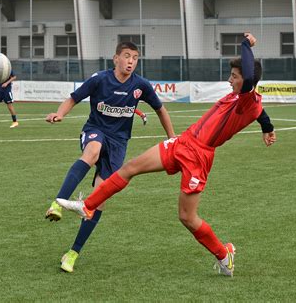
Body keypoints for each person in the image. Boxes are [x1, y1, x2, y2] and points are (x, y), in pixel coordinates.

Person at [57, 33, 277, 277]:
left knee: (187, 217)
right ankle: (87, 206)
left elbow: (254, 100)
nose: (229, 80)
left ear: (246, 79)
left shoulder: (247, 99)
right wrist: (268, 128)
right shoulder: (244, 97)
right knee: (130, 168)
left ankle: (224, 255)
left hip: (199, 158)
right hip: (183, 143)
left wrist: (246, 45)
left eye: (234, 77)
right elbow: (261, 111)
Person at [44, 41, 175, 273]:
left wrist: (172, 139)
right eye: (126, 56)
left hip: (118, 144)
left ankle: (72, 253)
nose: (130, 61)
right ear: (116, 59)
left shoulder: (141, 85)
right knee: (92, 151)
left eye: (135, 57)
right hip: (96, 130)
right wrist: (60, 114)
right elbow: (73, 98)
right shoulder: (100, 79)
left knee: (100, 199)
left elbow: (160, 110)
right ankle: (57, 203)